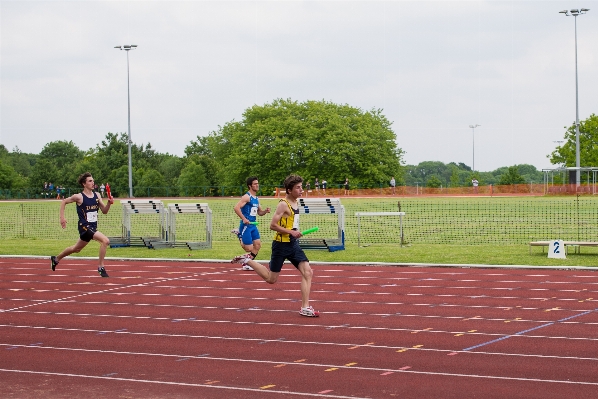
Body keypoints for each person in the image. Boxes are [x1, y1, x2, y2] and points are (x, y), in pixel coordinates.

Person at [236, 175, 320, 317]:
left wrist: (293, 233)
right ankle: (247, 260)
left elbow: (291, 223)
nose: (301, 190)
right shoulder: (283, 204)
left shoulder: (296, 202)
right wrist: (291, 232)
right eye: (298, 187)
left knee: (308, 272)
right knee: (271, 279)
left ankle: (305, 307)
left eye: (301, 186)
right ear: (289, 190)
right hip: (280, 246)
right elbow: (272, 226)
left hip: (293, 245)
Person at [50, 172, 113, 277]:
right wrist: (62, 218)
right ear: (84, 184)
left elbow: (105, 211)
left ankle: (56, 259)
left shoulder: (97, 195)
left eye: (93, 181)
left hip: (92, 227)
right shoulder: (79, 197)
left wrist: (109, 203)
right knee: (105, 241)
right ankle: (101, 267)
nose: (93, 183)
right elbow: (64, 201)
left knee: (76, 249)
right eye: (90, 181)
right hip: (84, 226)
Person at [231, 177, 271, 271]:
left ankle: (246, 263)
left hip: (253, 225)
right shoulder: (247, 197)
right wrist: (244, 219)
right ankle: (239, 234)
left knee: (257, 245)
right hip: (246, 225)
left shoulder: (256, 199)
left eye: (258, 183)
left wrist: (265, 211)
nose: (257, 185)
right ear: (250, 186)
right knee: (249, 248)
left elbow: (259, 213)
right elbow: (236, 208)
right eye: (255, 184)